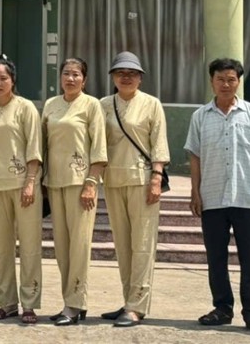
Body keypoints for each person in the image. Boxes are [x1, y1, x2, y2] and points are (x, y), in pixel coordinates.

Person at [185, 58, 250, 335]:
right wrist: (195, 191)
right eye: (220, 79)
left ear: (238, 82)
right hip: (212, 197)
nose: (225, 84)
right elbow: (195, 156)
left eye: (231, 79)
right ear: (212, 81)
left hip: (247, 196)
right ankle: (222, 308)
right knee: (216, 257)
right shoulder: (200, 116)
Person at [99, 51, 169, 328]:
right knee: (123, 245)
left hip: (142, 180)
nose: (126, 77)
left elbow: (159, 143)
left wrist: (157, 178)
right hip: (113, 179)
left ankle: (137, 306)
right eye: (120, 73)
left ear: (140, 78)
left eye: (131, 73)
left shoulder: (151, 104)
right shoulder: (104, 105)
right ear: (113, 77)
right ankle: (129, 299)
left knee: (142, 245)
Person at [41, 57, 107, 326]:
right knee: (62, 247)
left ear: (84, 79)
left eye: (76, 74)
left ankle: (75, 303)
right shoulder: (50, 105)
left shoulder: (91, 105)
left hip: (81, 184)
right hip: (54, 182)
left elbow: (99, 148)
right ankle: (71, 301)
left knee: (79, 246)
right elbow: (43, 144)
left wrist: (91, 183)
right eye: (66, 73)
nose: (70, 78)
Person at [0, 57, 43, 325]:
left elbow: (34, 147)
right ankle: (6, 303)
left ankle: (29, 303)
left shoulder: (26, 108)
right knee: (2, 247)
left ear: (13, 80)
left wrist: (30, 181)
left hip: (23, 185)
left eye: (3, 78)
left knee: (29, 245)